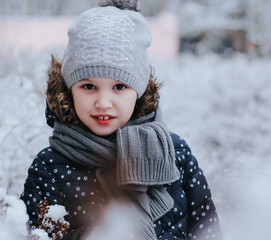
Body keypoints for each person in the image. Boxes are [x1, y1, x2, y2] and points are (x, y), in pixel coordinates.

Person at [21, 0, 222, 239]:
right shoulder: (50, 166)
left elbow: (208, 232)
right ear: (68, 89)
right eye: (88, 86)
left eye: (119, 86)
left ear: (138, 91)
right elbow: (32, 233)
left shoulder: (175, 153)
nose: (103, 102)